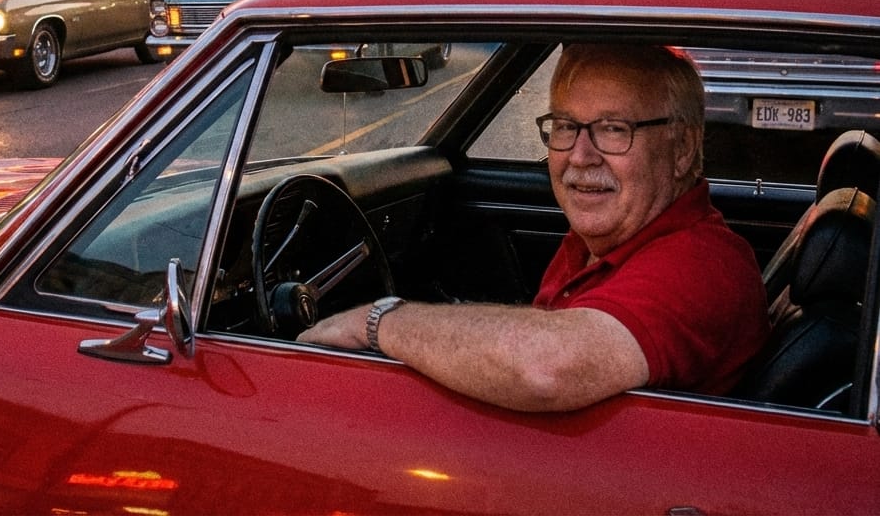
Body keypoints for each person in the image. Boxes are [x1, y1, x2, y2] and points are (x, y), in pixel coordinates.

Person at [298, 43, 770, 412]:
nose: (580, 157)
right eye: (566, 126)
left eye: (612, 129)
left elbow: (546, 366)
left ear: (683, 147)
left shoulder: (703, 264)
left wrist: (376, 320)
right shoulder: (603, 237)